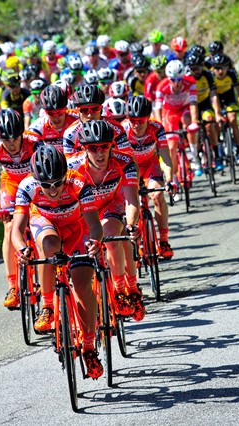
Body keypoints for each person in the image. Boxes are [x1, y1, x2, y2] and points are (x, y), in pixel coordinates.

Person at [12, 144, 105, 379]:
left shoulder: (79, 183)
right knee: (49, 247)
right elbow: (17, 230)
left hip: (77, 227)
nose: (52, 190)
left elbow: (94, 225)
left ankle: (89, 346)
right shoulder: (27, 187)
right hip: (45, 223)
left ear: (65, 175)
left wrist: (94, 241)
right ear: (36, 181)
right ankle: (48, 306)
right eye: (46, 185)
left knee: (83, 286)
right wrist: (22, 249)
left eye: (57, 183)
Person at [67, 120, 144, 320]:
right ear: (84, 148)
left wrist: (131, 225)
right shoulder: (71, 166)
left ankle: (120, 290)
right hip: (84, 212)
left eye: (104, 147)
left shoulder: (125, 161)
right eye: (93, 148)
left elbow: (132, 200)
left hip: (112, 204)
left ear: (111, 145)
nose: (100, 153)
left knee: (111, 236)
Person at [0, 109, 37, 309]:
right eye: (6, 139)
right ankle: (13, 285)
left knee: (40, 222)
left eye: (15, 137)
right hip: (11, 184)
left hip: (34, 182)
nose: (12, 143)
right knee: (9, 226)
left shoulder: (34, 142)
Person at [124, 96, 175, 261]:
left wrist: (169, 180)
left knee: (158, 195)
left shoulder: (156, 128)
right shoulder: (123, 129)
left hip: (150, 165)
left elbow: (165, 156)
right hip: (130, 169)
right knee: (132, 203)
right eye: (133, 120)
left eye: (141, 121)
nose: (137, 125)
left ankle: (164, 241)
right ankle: (135, 243)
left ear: (148, 118)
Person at [153, 59, 200, 189]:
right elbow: (157, 109)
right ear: (169, 79)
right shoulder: (161, 87)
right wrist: (159, 128)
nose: (177, 83)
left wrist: (194, 122)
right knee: (172, 147)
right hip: (170, 112)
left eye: (179, 79)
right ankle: (174, 180)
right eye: (173, 80)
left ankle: (195, 155)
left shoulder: (190, 82)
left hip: (184, 109)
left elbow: (193, 104)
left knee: (190, 124)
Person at [185, 52, 225, 172]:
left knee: (209, 122)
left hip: (205, 104)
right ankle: (196, 155)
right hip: (191, 106)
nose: (196, 70)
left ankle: (217, 154)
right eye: (193, 68)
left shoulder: (207, 75)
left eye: (198, 67)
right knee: (193, 128)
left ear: (202, 65)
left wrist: (217, 113)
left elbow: (214, 95)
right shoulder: (186, 78)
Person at [210, 53, 239, 165]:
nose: (220, 71)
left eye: (223, 68)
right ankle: (219, 144)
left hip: (229, 98)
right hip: (216, 98)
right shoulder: (210, 76)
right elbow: (212, 95)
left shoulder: (232, 74)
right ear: (213, 68)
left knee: (232, 119)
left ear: (227, 67)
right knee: (216, 122)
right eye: (217, 68)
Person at [25, 85, 78, 151]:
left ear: (66, 109)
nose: (56, 117)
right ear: (45, 112)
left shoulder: (76, 117)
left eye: (59, 113)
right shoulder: (38, 125)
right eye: (51, 113)